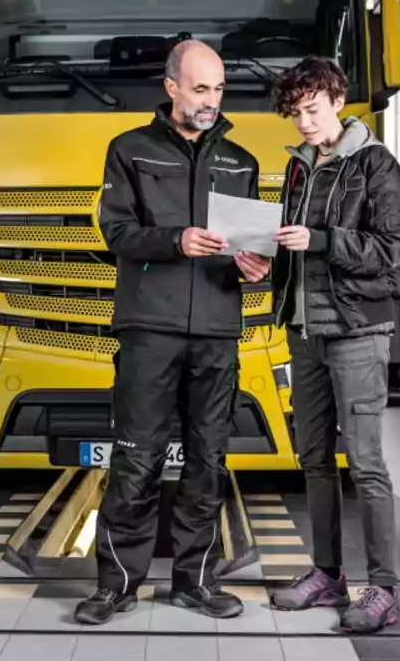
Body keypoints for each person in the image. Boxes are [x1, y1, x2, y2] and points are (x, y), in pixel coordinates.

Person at [74, 40, 272, 625]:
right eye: (200, 89)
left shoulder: (240, 161)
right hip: (149, 329)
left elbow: (249, 243)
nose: (211, 101)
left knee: (208, 460)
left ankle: (196, 581)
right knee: (136, 458)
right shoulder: (129, 151)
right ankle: (116, 586)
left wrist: (256, 264)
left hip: (216, 328)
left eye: (218, 89)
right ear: (171, 87)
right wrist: (175, 241)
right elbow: (116, 232)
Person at [266, 56, 400, 633]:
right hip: (305, 333)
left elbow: (395, 252)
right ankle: (328, 576)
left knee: (367, 465)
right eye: (295, 113)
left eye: (312, 108)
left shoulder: (376, 164)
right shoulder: (299, 170)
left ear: (337, 100)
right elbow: (294, 249)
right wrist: (263, 260)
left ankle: (384, 589)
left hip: (356, 333)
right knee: (314, 462)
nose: (303, 122)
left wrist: (324, 239)